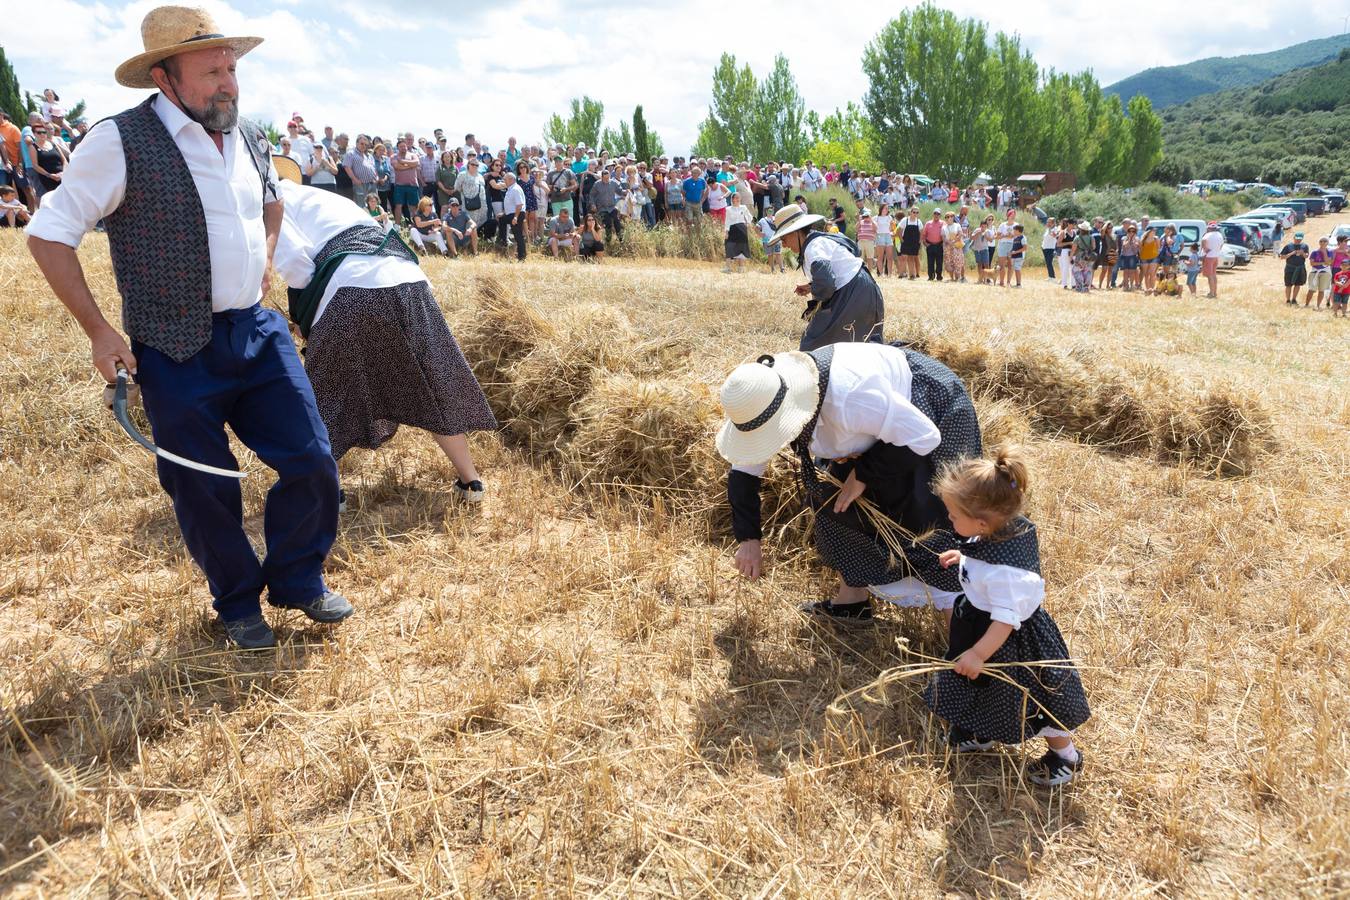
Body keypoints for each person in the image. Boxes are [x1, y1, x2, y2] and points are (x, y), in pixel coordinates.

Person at [27, 6, 349, 650]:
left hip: (257, 334)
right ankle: (236, 603)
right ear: (163, 75)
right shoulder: (119, 141)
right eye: (212, 70)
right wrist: (98, 332)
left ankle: (297, 578)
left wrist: (265, 256)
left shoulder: (247, 134)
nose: (228, 82)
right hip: (173, 347)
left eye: (232, 67)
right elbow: (48, 234)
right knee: (203, 485)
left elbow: (271, 196)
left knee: (312, 459)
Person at [272, 175, 496, 512]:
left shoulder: (271, 200)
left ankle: (328, 490)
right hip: (410, 282)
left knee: (327, 390)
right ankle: (471, 481)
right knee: (432, 382)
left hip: (350, 286)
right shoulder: (320, 198)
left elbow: (297, 269)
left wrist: (305, 321)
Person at [717, 341, 981, 623]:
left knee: (929, 513)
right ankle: (852, 603)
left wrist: (863, 474)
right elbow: (744, 474)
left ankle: (965, 621)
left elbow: (924, 436)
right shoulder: (760, 402)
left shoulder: (849, 398)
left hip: (929, 408)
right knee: (835, 502)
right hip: (877, 424)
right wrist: (748, 539)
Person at [923, 448, 1091, 785]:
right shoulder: (993, 535)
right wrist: (963, 554)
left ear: (982, 523)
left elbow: (1004, 621)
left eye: (954, 516)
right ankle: (980, 732)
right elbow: (980, 553)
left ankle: (1065, 756)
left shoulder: (1005, 573)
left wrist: (978, 653)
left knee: (1037, 702)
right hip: (979, 626)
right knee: (981, 688)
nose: (950, 521)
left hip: (1008, 642)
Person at [765, 204, 884, 350]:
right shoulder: (817, 242)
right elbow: (834, 273)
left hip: (853, 294)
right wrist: (811, 287)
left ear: (795, 232)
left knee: (814, 347)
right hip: (864, 290)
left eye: (784, 238)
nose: (784, 244)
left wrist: (817, 289)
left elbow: (826, 285)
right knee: (862, 348)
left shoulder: (813, 247)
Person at [722, 190, 753, 274]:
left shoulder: (744, 207)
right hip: (732, 229)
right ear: (732, 199)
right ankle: (728, 268)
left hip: (742, 229)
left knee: (742, 247)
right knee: (729, 247)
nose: (737, 199)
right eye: (735, 197)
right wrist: (726, 231)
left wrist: (748, 223)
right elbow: (727, 221)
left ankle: (741, 268)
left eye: (738, 197)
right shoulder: (728, 209)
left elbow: (749, 217)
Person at [589, 168, 623, 244]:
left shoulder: (613, 183)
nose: (607, 180)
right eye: (605, 178)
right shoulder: (597, 184)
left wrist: (625, 191)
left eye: (608, 178)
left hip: (612, 207)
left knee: (617, 222)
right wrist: (593, 204)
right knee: (608, 223)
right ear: (601, 177)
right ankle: (608, 241)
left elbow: (620, 191)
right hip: (602, 208)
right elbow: (591, 195)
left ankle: (621, 240)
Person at [500, 171, 527, 261]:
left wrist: (515, 217)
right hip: (512, 214)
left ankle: (522, 256)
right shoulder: (511, 189)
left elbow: (519, 204)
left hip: (516, 214)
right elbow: (510, 205)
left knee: (518, 235)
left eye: (505, 179)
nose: (504, 181)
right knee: (502, 220)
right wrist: (504, 213)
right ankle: (503, 240)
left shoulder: (515, 189)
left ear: (511, 179)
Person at [343, 134, 377, 205]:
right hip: (360, 184)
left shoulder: (367, 155)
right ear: (356, 143)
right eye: (362, 144)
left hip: (372, 184)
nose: (364, 146)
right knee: (362, 206)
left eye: (365, 144)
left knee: (373, 206)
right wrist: (355, 180)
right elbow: (347, 167)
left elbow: (373, 168)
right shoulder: (351, 154)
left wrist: (376, 178)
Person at [1280, 231, 1310, 306]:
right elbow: (1282, 257)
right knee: (1288, 284)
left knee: (1298, 284)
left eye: (1300, 239)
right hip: (1290, 267)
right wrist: (1292, 253)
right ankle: (1288, 299)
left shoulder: (1304, 246)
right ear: (1294, 238)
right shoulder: (1288, 246)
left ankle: (1294, 299)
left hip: (1300, 267)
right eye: (1297, 239)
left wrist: (1302, 253)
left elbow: (1306, 256)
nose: (1298, 240)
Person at [1200, 221, 1224, 299]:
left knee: (1209, 276)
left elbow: (1204, 246)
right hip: (1216, 256)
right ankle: (1214, 292)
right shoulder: (1220, 235)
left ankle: (1211, 293)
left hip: (1209, 257)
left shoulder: (1207, 235)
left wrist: (1205, 252)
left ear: (1209, 228)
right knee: (1214, 275)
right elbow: (1221, 246)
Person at [1307, 236, 1332, 309]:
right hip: (1315, 272)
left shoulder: (1329, 252)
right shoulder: (1314, 252)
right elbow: (1312, 263)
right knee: (1311, 289)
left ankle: (1318, 305)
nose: (1323, 243)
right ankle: (1307, 304)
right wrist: (1323, 262)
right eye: (1321, 241)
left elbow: (1328, 263)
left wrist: (1324, 252)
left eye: (1325, 241)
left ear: (1327, 243)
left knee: (1322, 290)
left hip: (1325, 273)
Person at [898, 206, 922, 279]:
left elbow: (921, 232)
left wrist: (919, 241)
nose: (915, 214)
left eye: (917, 212)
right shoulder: (905, 220)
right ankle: (901, 274)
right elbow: (899, 231)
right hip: (906, 242)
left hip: (914, 243)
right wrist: (902, 240)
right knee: (903, 258)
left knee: (911, 258)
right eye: (914, 212)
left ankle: (912, 275)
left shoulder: (918, 221)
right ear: (910, 212)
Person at [1071, 221, 1095, 293]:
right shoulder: (1091, 237)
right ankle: (1086, 287)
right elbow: (1094, 247)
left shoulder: (1077, 238)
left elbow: (1073, 249)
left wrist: (1071, 257)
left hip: (1080, 256)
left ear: (1081, 229)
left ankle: (1080, 286)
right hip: (1089, 256)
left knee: (1076, 271)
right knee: (1088, 271)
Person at [873, 203, 894, 277]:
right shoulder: (876, 218)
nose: (887, 209)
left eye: (887, 208)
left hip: (888, 235)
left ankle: (890, 274)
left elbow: (891, 228)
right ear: (881, 208)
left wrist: (891, 230)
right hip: (880, 235)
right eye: (885, 208)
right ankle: (881, 274)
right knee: (880, 256)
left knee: (890, 257)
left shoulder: (889, 217)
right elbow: (873, 228)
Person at [923, 210, 945, 281]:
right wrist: (925, 244)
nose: (936, 215)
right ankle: (931, 276)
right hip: (930, 245)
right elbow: (924, 235)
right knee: (930, 262)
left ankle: (939, 276)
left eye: (938, 214)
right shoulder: (928, 223)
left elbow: (946, 233)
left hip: (939, 245)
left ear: (940, 215)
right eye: (935, 213)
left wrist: (943, 243)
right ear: (933, 214)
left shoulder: (943, 223)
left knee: (939, 262)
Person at [1009, 224, 1026, 288]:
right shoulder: (1015, 238)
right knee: (1013, 269)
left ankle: (1019, 284)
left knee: (1017, 269)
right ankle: (1011, 283)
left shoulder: (1023, 238)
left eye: (1014, 230)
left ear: (1018, 231)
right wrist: (1011, 252)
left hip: (1020, 256)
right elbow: (1014, 247)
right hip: (1014, 256)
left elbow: (1025, 248)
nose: (1013, 232)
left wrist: (1015, 252)